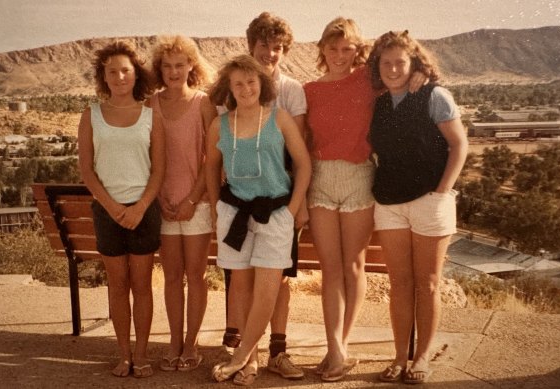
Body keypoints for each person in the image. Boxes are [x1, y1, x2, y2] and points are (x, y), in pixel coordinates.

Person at [303, 18, 425, 382]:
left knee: (353, 266)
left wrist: (421, 77)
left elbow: (401, 70)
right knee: (330, 269)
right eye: (333, 47)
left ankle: (340, 345)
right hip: (321, 179)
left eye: (348, 48)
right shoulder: (308, 90)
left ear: (358, 51)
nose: (340, 55)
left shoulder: (368, 81)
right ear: (322, 49)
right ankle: (336, 350)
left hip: (358, 179)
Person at [367, 30, 468, 384]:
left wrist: (442, 191)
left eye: (400, 62)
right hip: (389, 202)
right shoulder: (379, 102)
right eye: (386, 62)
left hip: (430, 200)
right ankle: (398, 357)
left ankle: (421, 358)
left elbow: (459, 146)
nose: (393, 69)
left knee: (427, 284)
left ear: (414, 64)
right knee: (399, 283)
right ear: (377, 66)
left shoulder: (434, 95)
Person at [206, 55, 311, 385]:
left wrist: (292, 209)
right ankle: (248, 362)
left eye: (252, 81)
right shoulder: (220, 125)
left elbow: (304, 164)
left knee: (267, 290)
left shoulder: (279, 119)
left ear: (262, 84)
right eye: (238, 83)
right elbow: (210, 167)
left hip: (275, 213)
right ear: (229, 88)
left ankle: (238, 357)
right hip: (234, 213)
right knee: (239, 287)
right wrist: (213, 207)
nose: (246, 88)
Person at [77, 40, 165, 378]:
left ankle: (141, 355)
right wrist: (112, 206)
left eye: (125, 70)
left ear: (135, 74)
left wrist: (140, 206)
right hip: (107, 211)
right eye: (111, 71)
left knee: (141, 285)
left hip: (143, 211)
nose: (119, 76)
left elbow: (159, 169)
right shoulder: (91, 115)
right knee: (117, 285)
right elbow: (87, 169)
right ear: (103, 76)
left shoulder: (149, 116)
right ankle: (124, 354)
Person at [149, 35, 217, 372]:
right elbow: (148, 157)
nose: (174, 71)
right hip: (162, 205)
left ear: (192, 65)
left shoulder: (203, 102)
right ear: (158, 69)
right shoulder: (151, 104)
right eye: (167, 65)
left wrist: (193, 198)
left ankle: (192, 344)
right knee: (172, 277)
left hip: (197, 203)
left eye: (180, 64)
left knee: (196, 274)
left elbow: (211, 159)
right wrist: (157, 196)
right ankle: (174, 342)